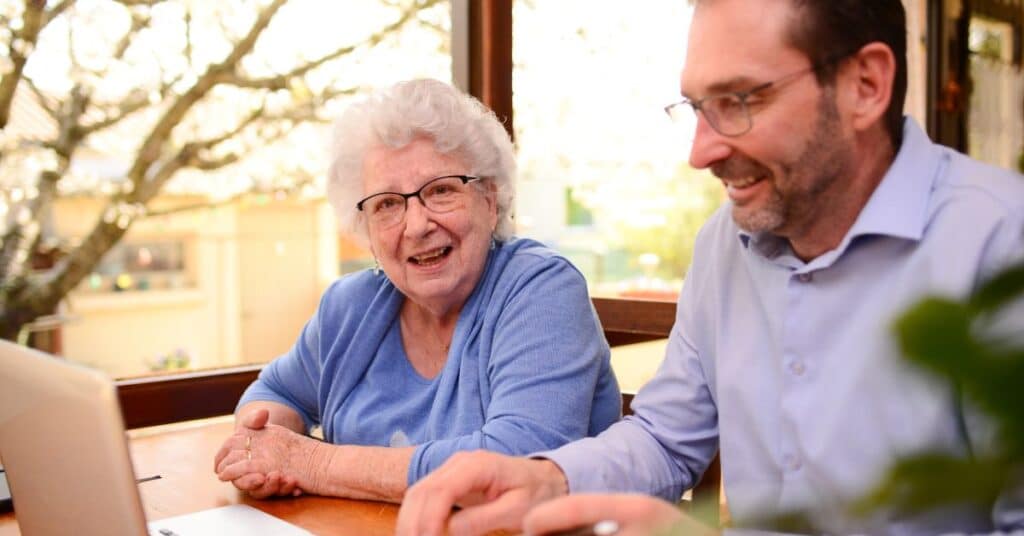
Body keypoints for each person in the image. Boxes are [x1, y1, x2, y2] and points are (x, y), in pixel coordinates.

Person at [396, 1, 1024, 534]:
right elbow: (667, 440)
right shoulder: (725, 243)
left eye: (738, 101)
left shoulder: (1002, 245)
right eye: (697, 106)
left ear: (865, 85)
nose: (701, 152)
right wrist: (548, 478)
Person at [212, 79, 621, 503]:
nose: (416, 224)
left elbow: (517, 460)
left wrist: (310, 463)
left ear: (490, 199)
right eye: (387, 204)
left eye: (441, 190)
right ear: (365, 229)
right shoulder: (350, 306)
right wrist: (260, 449)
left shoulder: (540, 291)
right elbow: (274, 392)